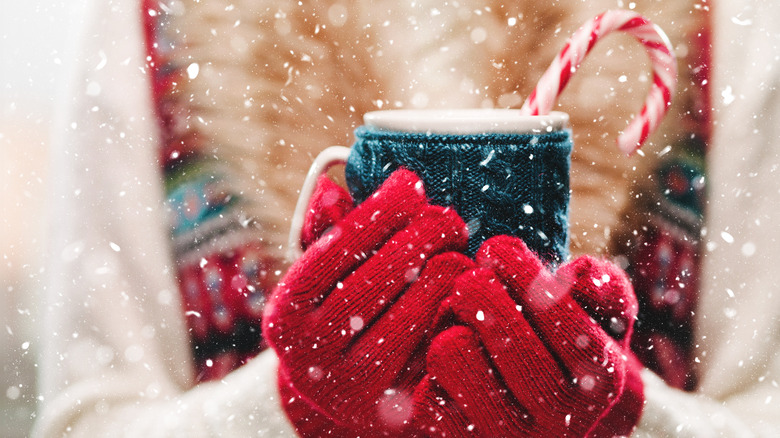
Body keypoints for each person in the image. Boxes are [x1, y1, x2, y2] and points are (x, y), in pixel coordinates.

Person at [33, 0, 780, 436]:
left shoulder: (740, 28)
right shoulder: (147, 26)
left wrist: (629, 417)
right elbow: (86, 420)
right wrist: (284, 407)